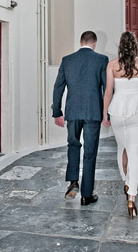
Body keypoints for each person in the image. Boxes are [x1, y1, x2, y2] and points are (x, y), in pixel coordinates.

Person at [102, 31, 138, 218]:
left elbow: (108, 92)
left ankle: (125, 180)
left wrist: (105, 113)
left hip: (117, 112)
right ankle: (132, 197)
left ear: (120, 46)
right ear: (135, 46)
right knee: (135, 153)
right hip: (137, 112)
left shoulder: (112, 65)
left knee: (122, 148)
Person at [52, 30, 109, 206]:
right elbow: (107, 89)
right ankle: (86, 195)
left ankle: (73, 182)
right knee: (90, 152)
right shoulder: (101, 60)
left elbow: (58, 87)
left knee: (73, 145)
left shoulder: (67, 60)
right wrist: (107, 113)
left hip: (73, 112)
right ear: (95, 43)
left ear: (80, 42)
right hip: (93, 112)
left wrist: (57, 112)